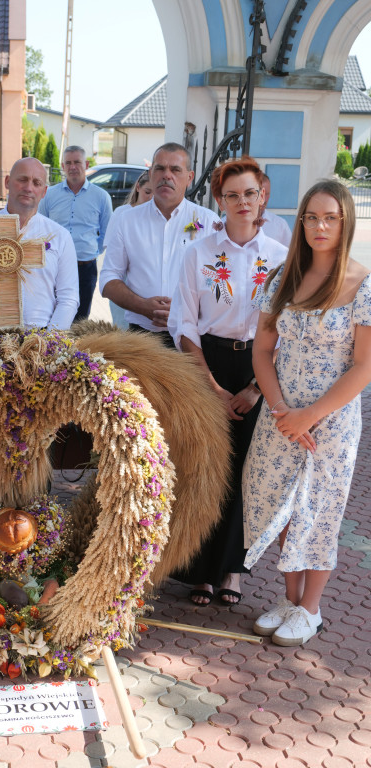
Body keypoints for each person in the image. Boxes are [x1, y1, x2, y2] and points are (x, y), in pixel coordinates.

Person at [242, 179, 371, 646]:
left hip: (330, 423)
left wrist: (309, 416)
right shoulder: (283, 277)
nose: (320, 226)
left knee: (319, 512)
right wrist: (281, 410)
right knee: (277, 505)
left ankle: (311, 610)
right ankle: (290, 600)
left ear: (345, 223)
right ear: (301, 222)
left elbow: (364, 367)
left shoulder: (361, 282)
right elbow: (261, 352)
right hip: (280, 417)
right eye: (312, 217)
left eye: (331, 217)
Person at [168, 155, 288, 605]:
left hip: (260, 370)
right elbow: (184, 325)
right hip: (207, 363)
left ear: (263, 197)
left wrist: (257, 388)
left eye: (250, 194)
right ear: (219, 200)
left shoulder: (279, 259)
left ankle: (233, 571)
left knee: (246, 472)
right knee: (207, 467)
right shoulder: (198, 253)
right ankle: (199, 569)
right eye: (232, 195)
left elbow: (285, 332)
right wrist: (213, 389)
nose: (242, 202)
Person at [100, 142, 220, 348]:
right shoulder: (127, 220)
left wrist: (183, 310)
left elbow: (221, 281)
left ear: (189, 178)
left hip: (193, 336)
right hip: (141, 337)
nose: (167, 175)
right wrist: (143, 306)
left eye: (175, 170)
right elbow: (108, 279)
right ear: (151, 173)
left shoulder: (208, 222)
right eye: (160, 169)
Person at [0, 158, 79, 329]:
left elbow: (69, 298)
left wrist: (49, 342)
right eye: (22, 179)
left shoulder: (60, 236)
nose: (29, 188)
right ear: (7, 182)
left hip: (42, 339)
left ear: (44, 192)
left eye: (36, 183)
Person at [38, 145, 112, 321]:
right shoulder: (49, 195)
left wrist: (91, 251)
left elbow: (106, 233)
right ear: (62, 166)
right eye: (68, 163)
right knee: (52, 315)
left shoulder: (101, 197)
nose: (73, 167)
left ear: (86, 164)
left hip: (85, 268)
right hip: (54, 267)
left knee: (80, 319)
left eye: (77, 162)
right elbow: (40, 228)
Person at [105, 170, 153, 329]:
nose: (151, 197)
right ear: (138, 187)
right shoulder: (122, 213)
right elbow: (110, 248)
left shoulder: (155, 216)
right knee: (122, 326)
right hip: (123, 281)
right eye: (147, 192)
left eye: (155, 193)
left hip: (145, 281)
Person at [260, 173, 292, 246]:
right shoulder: (230, 224)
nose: (263, 200)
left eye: (267, 194)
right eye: (260, 194)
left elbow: (291, 254)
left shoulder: (280, 225)